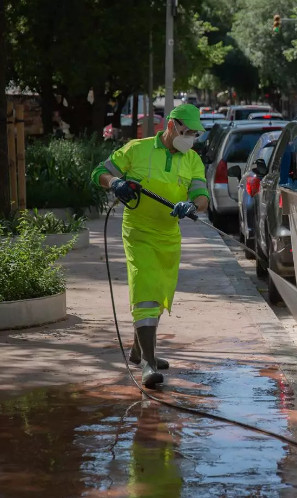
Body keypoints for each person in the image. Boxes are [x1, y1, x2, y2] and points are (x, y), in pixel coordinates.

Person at [91, 104, 209, 388]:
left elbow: (202, 197)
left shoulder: (192, 159)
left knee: (157, 294)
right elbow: (98, 172)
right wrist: (116, 182)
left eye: (195, 133)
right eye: (188, 131)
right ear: (171, 126)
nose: (191, 137)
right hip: (138, 232)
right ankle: (148, 363)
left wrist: (191, 204)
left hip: (169, 236)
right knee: (144, 289)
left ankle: (138, 350)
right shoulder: (137, 149)